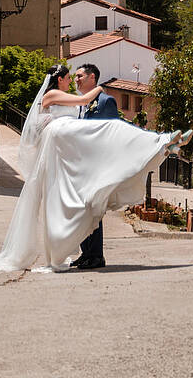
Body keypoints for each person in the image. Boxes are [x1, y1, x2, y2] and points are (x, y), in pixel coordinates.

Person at [0, 64, 189, 275]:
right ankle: (162, 143)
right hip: (62, 144)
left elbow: (82, 105)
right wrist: (100, 86)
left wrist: (98, 89)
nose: (73, 80)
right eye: (70, 78)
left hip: (70, 147)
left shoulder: (74, 99)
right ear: (59, 79)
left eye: (78, 77)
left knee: (114, 130)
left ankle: (163, 144)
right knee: (112, 131)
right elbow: (83, 100)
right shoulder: (51, 95)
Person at [70, 63, 117, 269]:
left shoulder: (106, 101)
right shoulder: (78, 103)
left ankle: (96, 255)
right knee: (80, 209)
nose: (76, 79)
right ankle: (86, 252)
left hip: (97, 166)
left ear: (92, 78)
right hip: (79, 166)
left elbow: (112, 133)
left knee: (93, 210)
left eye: (80, 76)